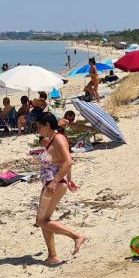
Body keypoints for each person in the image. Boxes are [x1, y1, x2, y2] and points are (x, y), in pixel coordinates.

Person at [31, 112, 86, 264]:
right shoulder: (52, 140)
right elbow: (62, 160)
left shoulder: (59, 139)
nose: (37, 130)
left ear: (47, 125)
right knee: (45, 220)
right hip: (53, 184)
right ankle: (52, 256)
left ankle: (76, 236)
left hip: (53, 185)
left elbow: (68, 161)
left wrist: (55, 181)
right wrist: (69, 179)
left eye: (39, 126)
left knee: (41, 221)